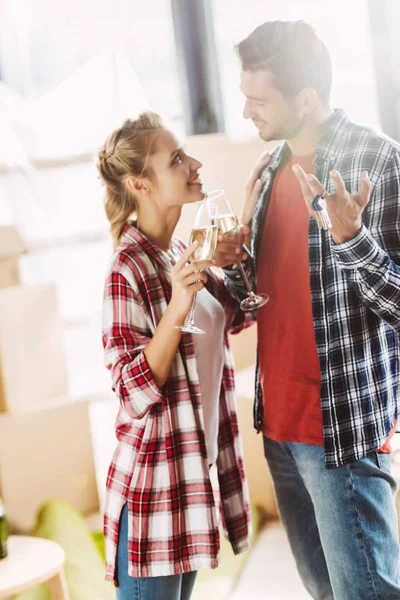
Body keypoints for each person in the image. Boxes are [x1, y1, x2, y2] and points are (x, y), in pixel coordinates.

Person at [221, 20, 400, 600]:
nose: (246, 110)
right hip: (279, 430)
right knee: (324, 592)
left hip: (341, 430)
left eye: (259, 99)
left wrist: (352, 239)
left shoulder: (378, 160)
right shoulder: (270, 168)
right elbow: (265, 302)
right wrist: (232, 260)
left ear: (306, 97)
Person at [97, 111, 252, 600]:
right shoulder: (128, 267)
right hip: (153, 495)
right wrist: (177, 306)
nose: (195, 163)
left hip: (190, 480)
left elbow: (236, 317)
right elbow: (130, 392)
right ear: (141, 183)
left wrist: (230, 257)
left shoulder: (178, 251)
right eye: (178, 159)